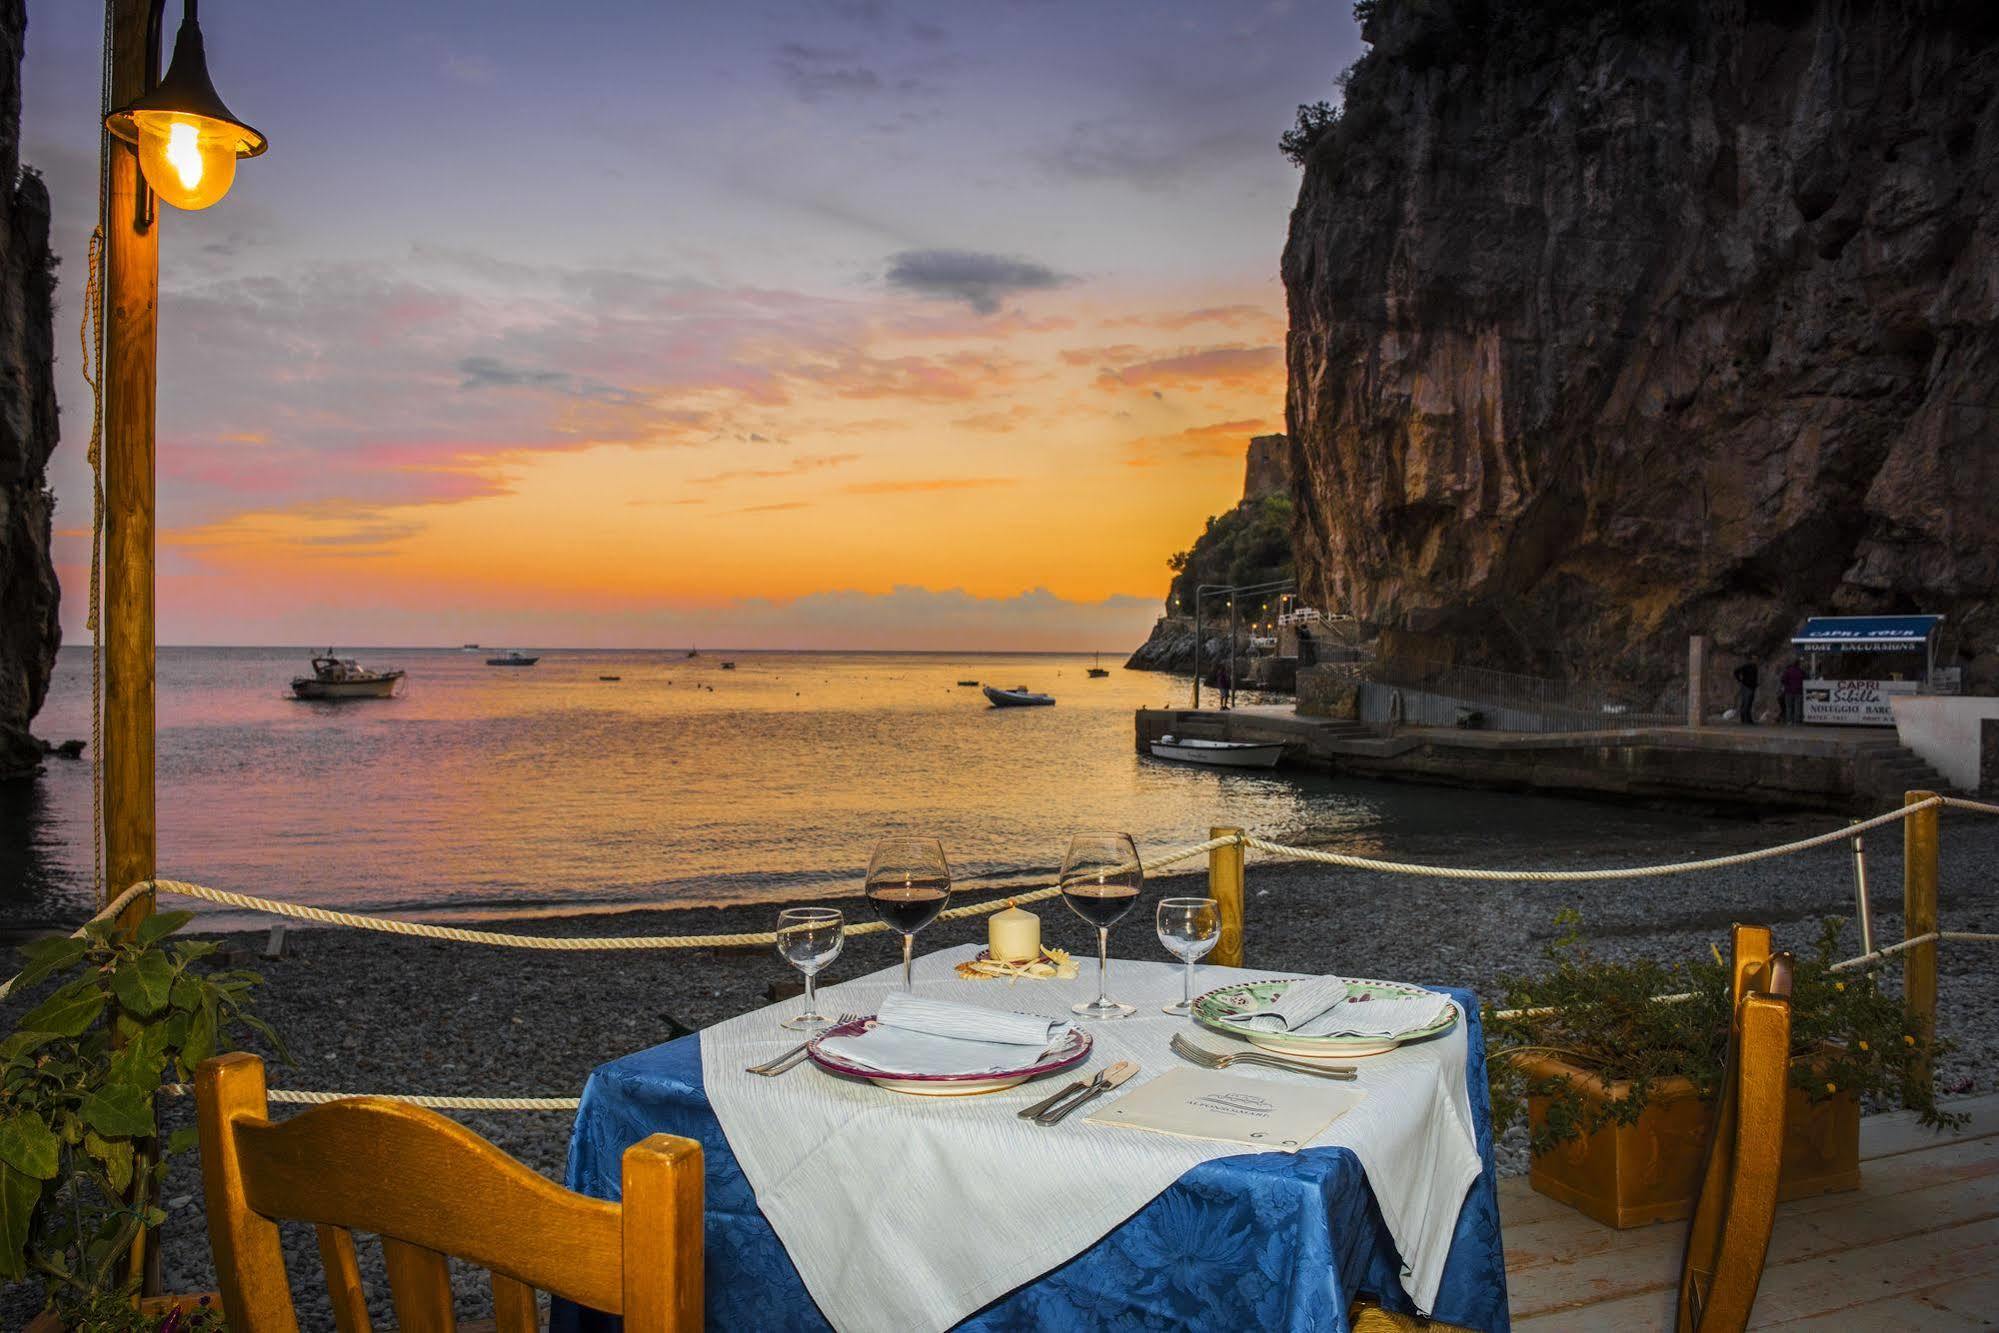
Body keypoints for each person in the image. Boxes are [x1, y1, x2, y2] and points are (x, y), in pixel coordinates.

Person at [1733, 658, 1760, 725]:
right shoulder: (1747, 666)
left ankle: (1747, 719)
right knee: (1746, 703)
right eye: (1755, 659)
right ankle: (1745, 719)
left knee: (1748, 703)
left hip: (1751, 686)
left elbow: (1754, 677)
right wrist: (1740, 680)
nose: (1756, 661)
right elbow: (1736, 671)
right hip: (1747, 686)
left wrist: (1755, 684)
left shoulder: (1754, 667)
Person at [1780, 659, 1806, 725]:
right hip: (1798, 691)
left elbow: (1783, 679)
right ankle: (1796, 721)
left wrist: (1787, 684)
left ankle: (1789, 721)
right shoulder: (1801, 671)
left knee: (1789, 707)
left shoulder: (1788, 671)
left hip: (1789, 691)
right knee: (1797, 707)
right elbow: (1805, 678)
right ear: (1798, 664)